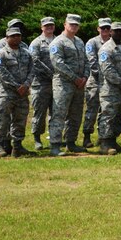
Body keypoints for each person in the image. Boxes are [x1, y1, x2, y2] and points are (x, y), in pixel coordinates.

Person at [0, 27, 33, 158]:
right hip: (6, 93)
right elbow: (2, 73)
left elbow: (32, 70)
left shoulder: (26, 53)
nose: (16, 38)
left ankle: (17, 146)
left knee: (20, 120)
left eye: (18, 36)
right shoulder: (0, 54)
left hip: (22, 94)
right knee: (1, 119)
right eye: (13, 36)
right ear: (7, 38)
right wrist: (16, 86)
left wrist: (25, 85)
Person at [49, 14, 87, 156]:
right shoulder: (58, 42)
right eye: (71, 24)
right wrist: (75, 78)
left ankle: (71, 142)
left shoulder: (79, 42)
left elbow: (86, 61)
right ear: (65, 24)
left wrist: (84, 77)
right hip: (63, 84)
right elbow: (58, 63)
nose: (74, 26)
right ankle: (55, 145)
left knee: (76, 114)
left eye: (76, 24)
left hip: (79, 85)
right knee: (59, 113)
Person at [96, 21, 121, 155]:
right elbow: (107, 70)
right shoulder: (105, 49)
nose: (119, 33)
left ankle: (113, 140)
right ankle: (105, 143)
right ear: (110, 32)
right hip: (110, 90)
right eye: (116, 31)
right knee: (108, 116)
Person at [81, 18, 111, 149]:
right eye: (102, 28)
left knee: (105, 110)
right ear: (98, 29)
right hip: (94, 81)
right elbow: (91, 61)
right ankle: (86, 137)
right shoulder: (92, 42)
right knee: (92, 109)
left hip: (109, 83)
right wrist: (102, 75)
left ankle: (102, 136)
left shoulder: (113, 42)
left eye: (107, 28)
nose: (105, 30)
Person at [27, 17, 56, 150]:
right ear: (41, 27)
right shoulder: (36, 43)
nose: (49, 27)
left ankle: (54, 139)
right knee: (39, 112)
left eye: (51, 25)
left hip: (57, 83)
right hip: (40, 84)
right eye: (46, 25)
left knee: (55, 112)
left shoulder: (58, 40)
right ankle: (37, 139)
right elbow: (35, 61)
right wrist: (52, 74)